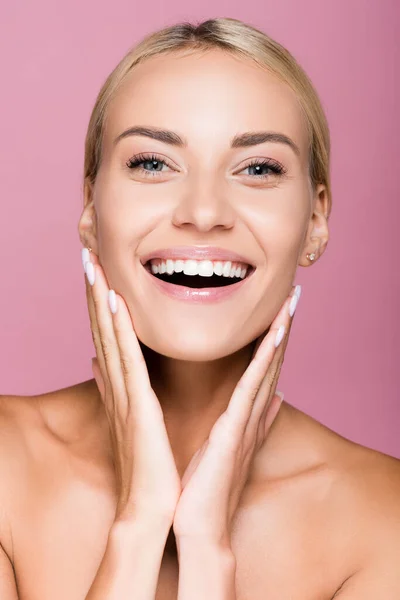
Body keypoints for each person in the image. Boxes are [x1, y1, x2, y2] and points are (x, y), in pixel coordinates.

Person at [0, 16, 399, 600]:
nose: (205, 210)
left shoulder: (384, 521)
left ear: (315, 220)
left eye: (258, 169)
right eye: (153, 163)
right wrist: (140, 524)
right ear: (90, 205)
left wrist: (207, 551)